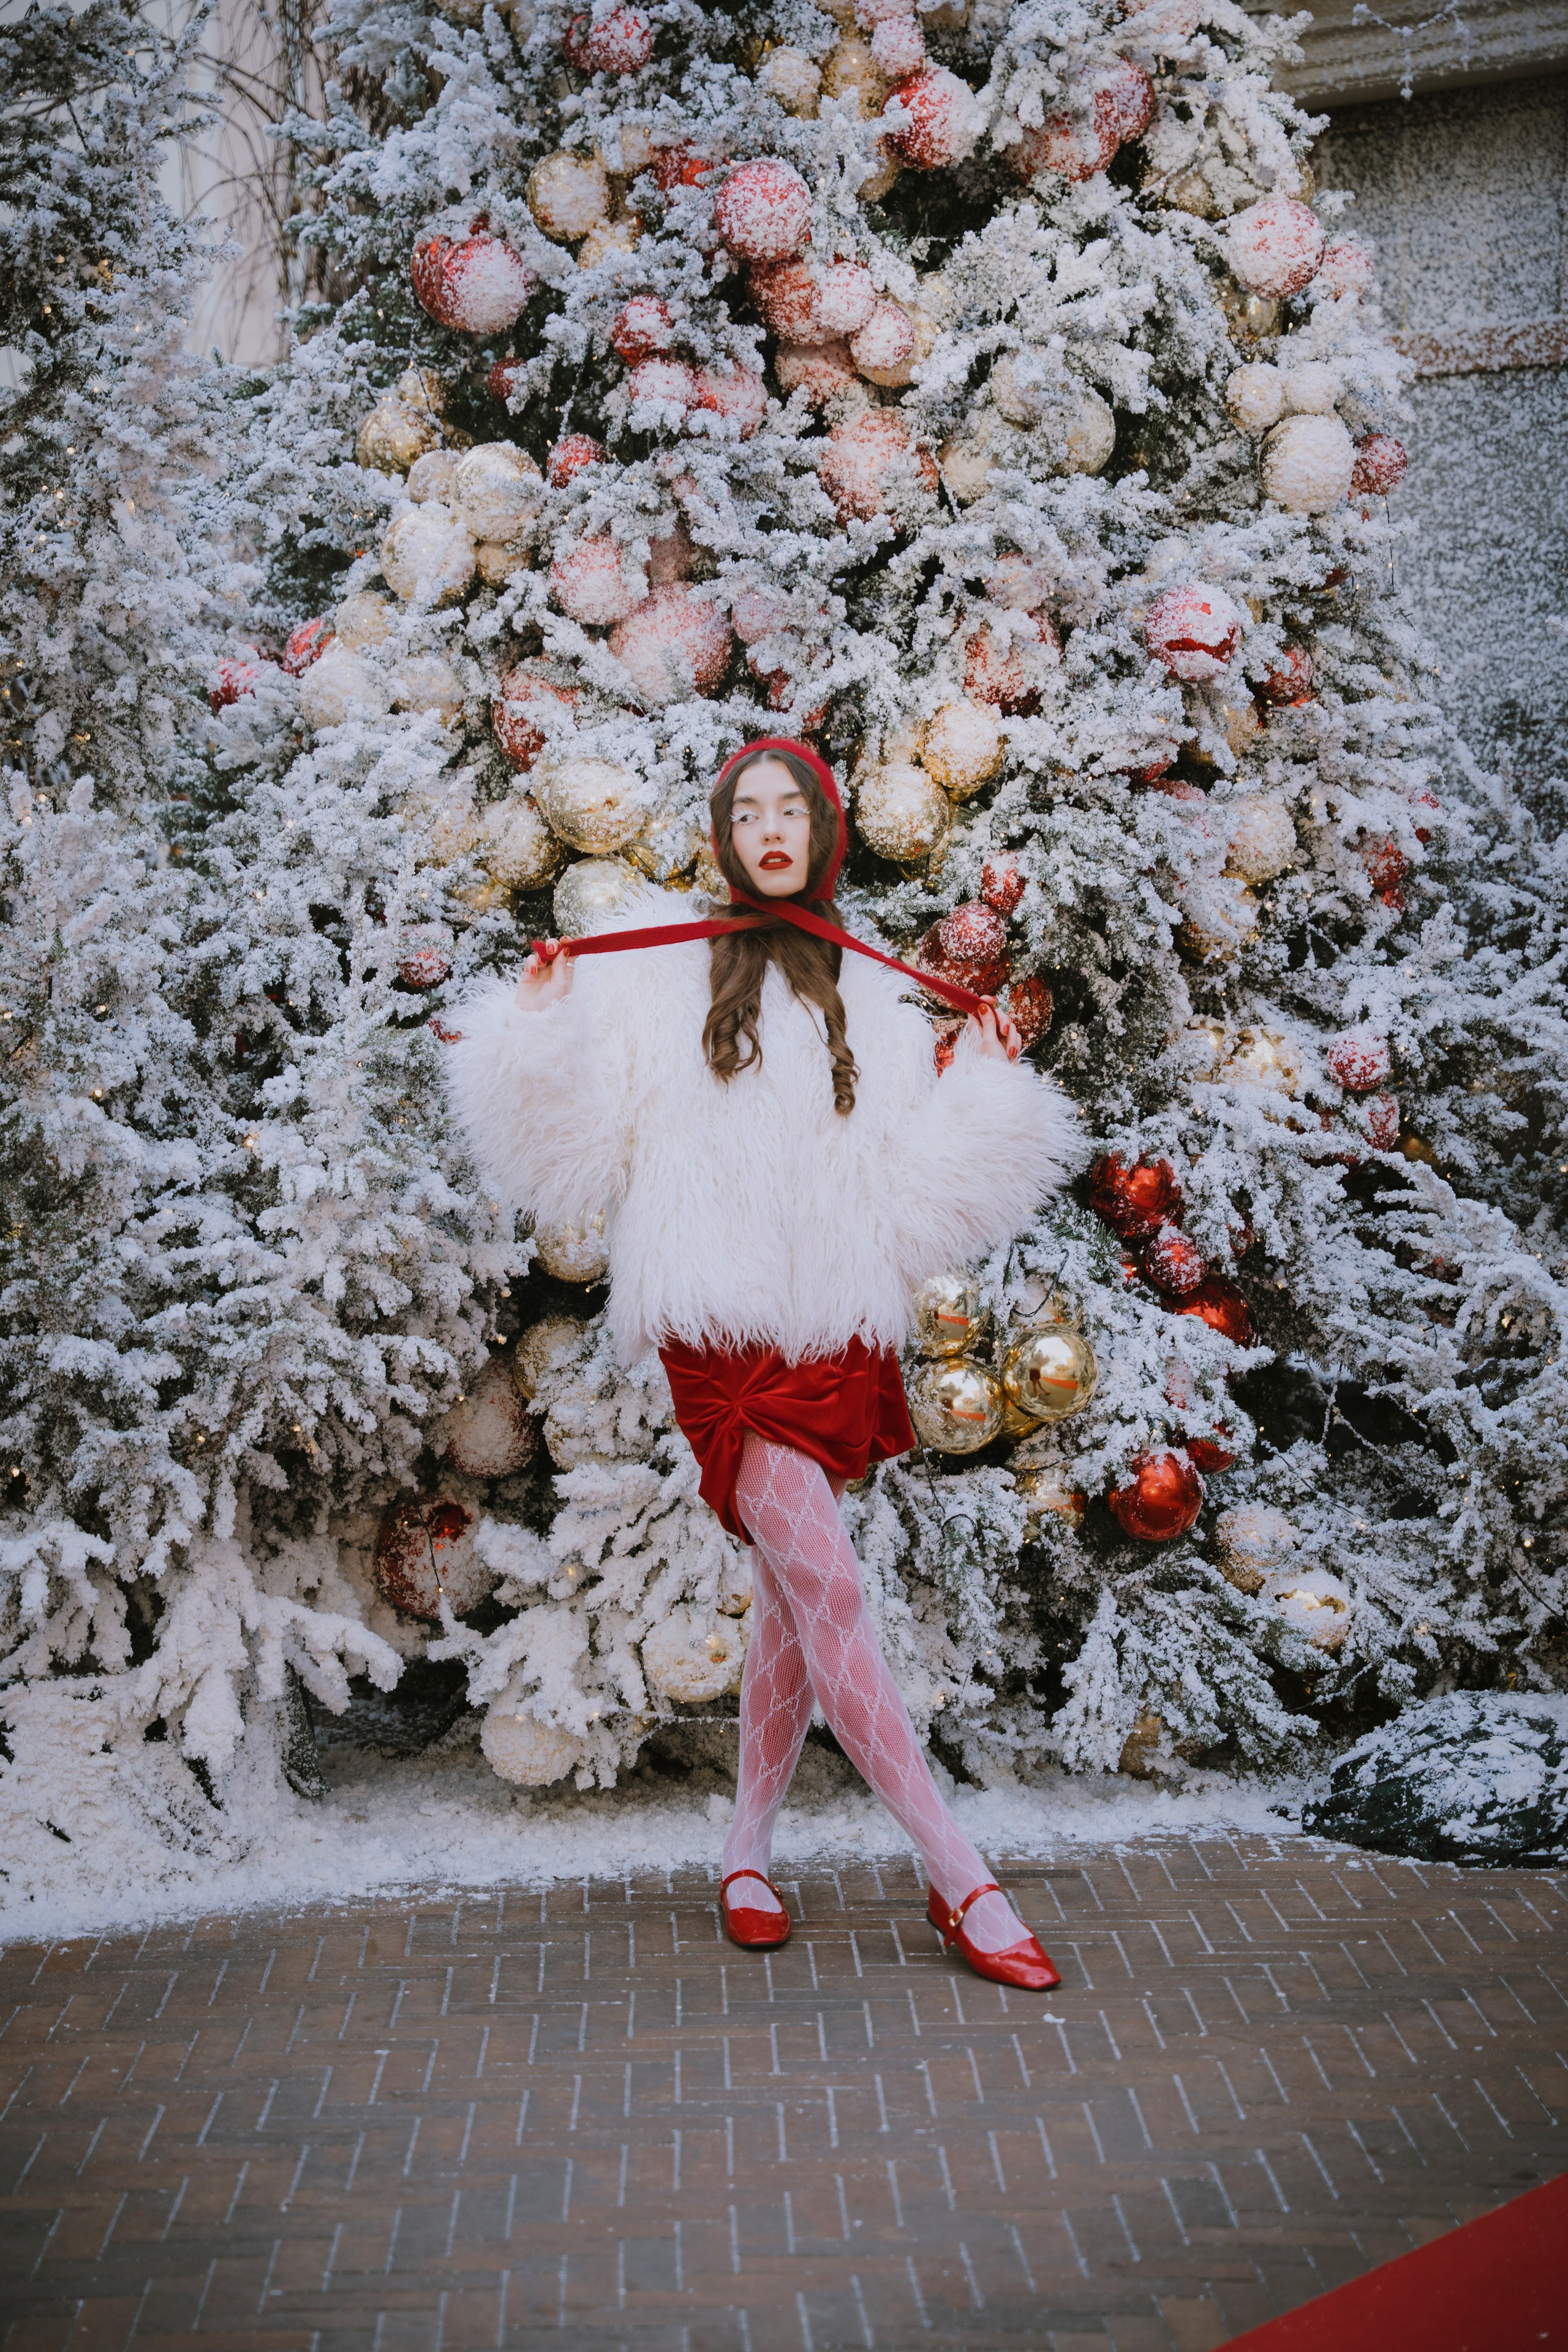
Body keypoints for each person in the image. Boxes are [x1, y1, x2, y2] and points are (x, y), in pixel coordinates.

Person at [445, 738, 1076, 1988]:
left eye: (794, 810)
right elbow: (567, 1145)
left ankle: (744, 1854)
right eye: (749, 811)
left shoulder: (876, 987)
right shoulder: (657, 971)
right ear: (722, 832)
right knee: (832, 1591)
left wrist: (985, 1086)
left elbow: (908, 1193)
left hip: (828, 1332)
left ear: (825, 829)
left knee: (798, 1600)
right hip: (720, 1335)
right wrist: (532, 1029)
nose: (771, 830)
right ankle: (959, 1876)